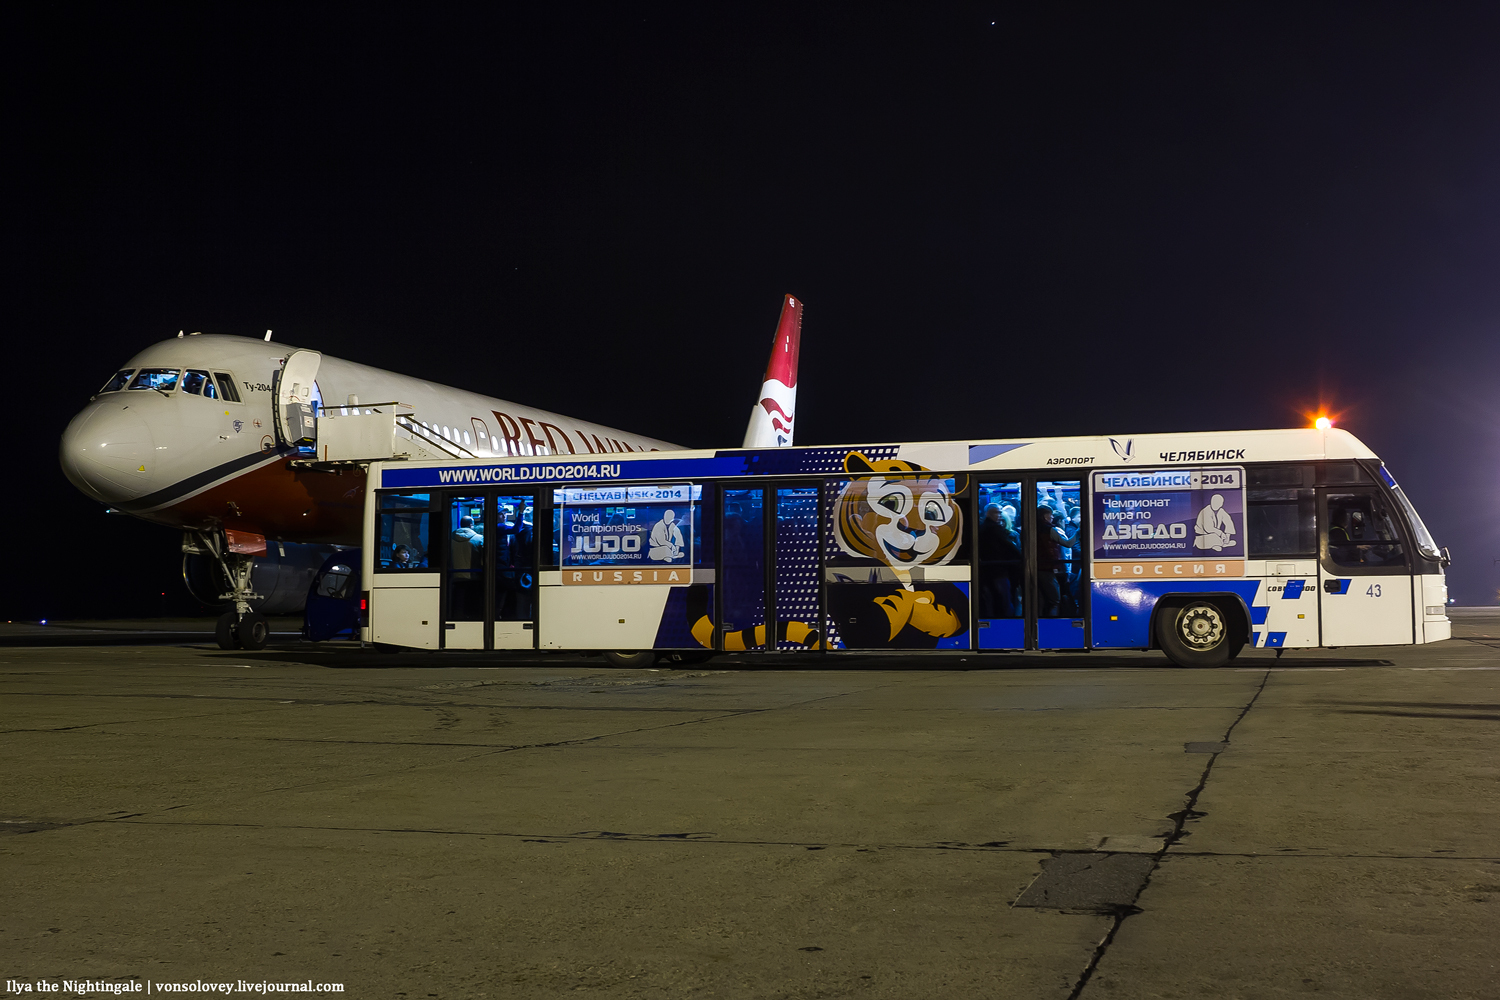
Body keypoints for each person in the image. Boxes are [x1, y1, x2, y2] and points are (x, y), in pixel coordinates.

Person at [978, 503, 1022, 618]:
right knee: (1005, 601)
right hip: (998, 570)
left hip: (988, 570)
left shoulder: (982, 528)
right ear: (988, 513)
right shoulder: (994, 528)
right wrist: (1022, 557)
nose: (999, 516)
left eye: (1000, 513)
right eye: (996, 512)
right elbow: (1008, 546)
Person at [1035, 505, 1078, 617]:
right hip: (1047, 569)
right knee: (1055, 600)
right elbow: (1068, 544)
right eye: (1050, 514)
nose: (1052, 517)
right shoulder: (1050, 530)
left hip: (1036, 569)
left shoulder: (1032, 529)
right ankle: (1052, 625)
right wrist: (1078, 533)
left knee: (1040, 600)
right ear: (1044, 516)